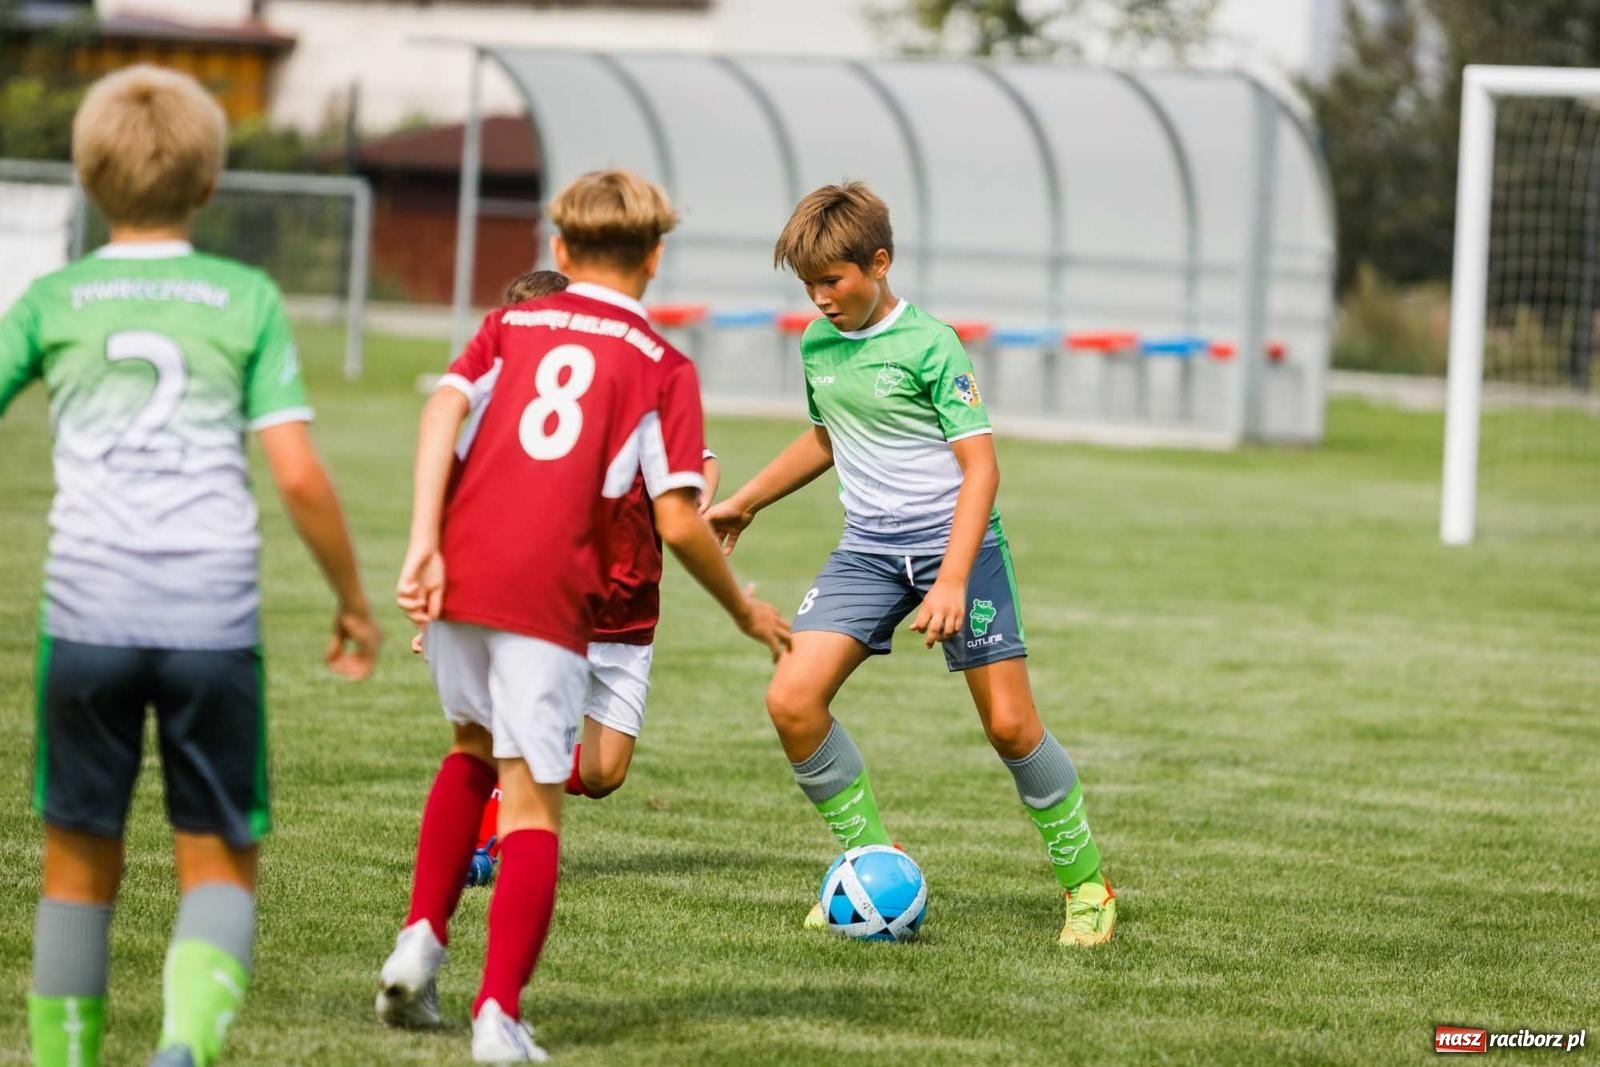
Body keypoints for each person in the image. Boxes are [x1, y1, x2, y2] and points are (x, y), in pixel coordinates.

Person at [1, 65, 382, 1067]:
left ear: (89, 181)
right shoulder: (243, 297)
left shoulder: (52, 297)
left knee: (78, 866)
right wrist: (352, 599)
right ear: (210, 183)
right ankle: (181, 1049)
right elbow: (296, 474)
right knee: (218, 864)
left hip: (85, 617)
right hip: (211, 622)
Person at [376, 168, 789, 1062]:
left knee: (470, 752)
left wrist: (423, 541)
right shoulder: (659, 363)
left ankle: (419, 938)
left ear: (559, 251)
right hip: (548, 590)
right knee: (531, 803)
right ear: (655, 258)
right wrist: (743, 607)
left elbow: (445, 406)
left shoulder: (509, 323)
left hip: (466, 568)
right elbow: (679, 514)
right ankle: (498, 1015)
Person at [704, 181, 1116, 947]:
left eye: (833, 281)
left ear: (880, 263)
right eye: (809, 286)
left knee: (1009, 724)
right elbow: (827, 435)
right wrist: (748, 500)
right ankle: (869, 862)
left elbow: (982, 468)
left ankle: (1088, 883)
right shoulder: (818, 344)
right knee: (792, 699)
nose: (821, 299)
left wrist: (953, 575)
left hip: (957, 545)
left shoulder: (933, 344)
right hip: (866, 550)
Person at [419, 268, 722, 888]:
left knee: (607, 773)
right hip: (553, 603)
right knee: (520, 734)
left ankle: (516, 794)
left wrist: (690, 510)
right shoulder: (513, 422)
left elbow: (702, 465)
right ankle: (486, 839)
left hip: (630, 613)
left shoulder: (624, 391)